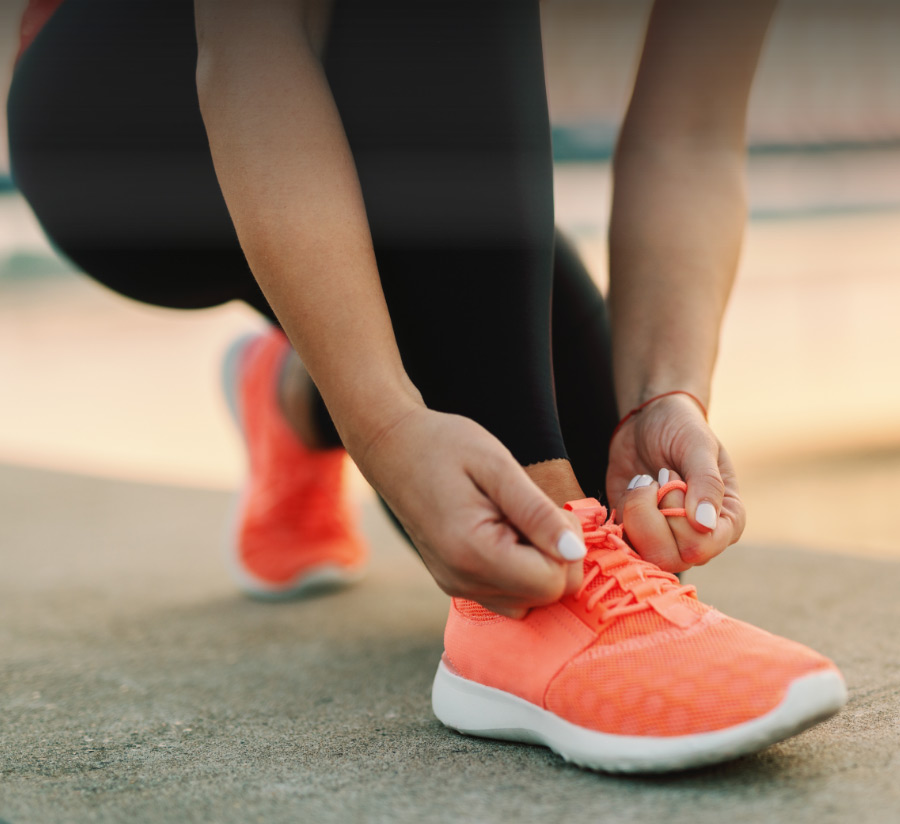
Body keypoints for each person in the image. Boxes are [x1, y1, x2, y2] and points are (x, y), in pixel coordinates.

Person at [7, 0, 847, 773]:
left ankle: (292, 398)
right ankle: (524, 617)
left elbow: (691, 131)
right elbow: (251, 44)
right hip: (128, 126)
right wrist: (381, 424)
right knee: (539, 531)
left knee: (589, 473)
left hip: (401, 147)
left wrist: (664, 396)